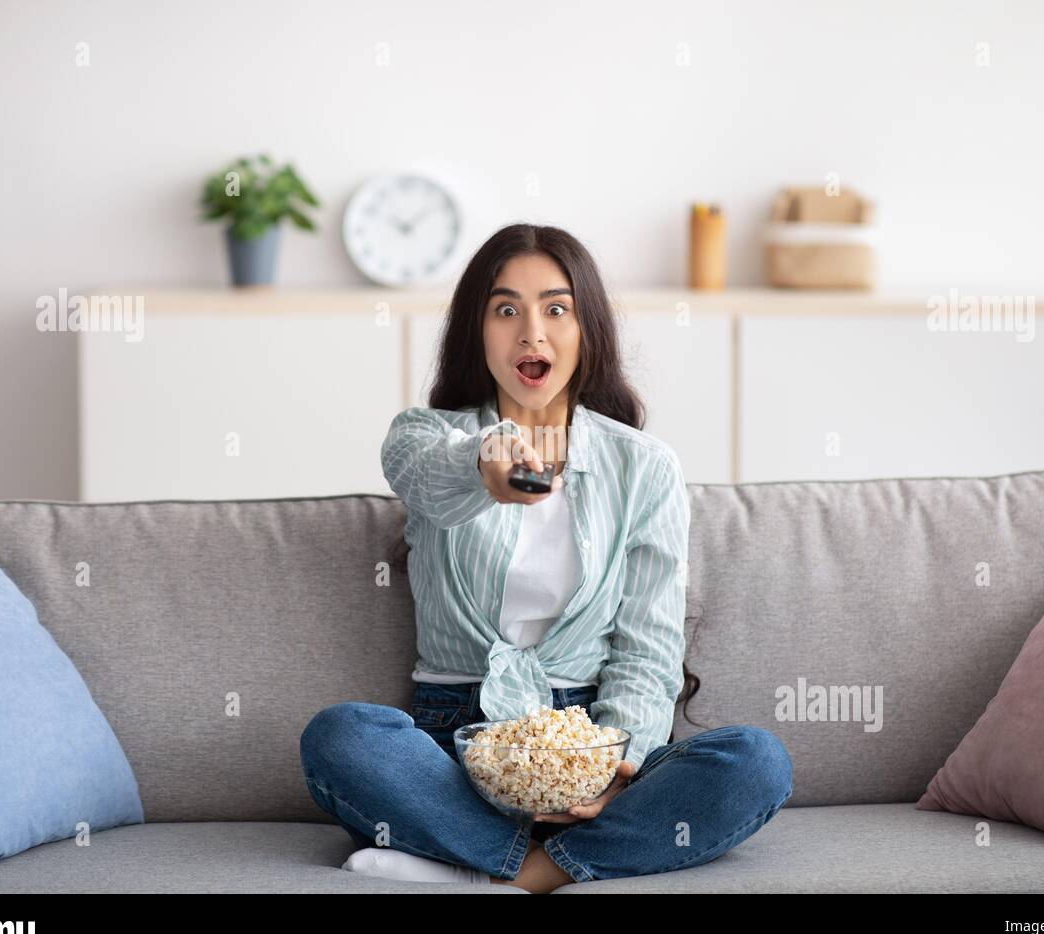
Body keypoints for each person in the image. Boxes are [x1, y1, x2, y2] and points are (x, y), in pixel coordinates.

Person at [300, 223, 792, 892]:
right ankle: (550, 862)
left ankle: (503, 874)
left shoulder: (644, 467)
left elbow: (647, 647)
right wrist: (486, 466)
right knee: (341, 737)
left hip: (585, 732)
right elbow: (427, 475)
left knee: (756, 761)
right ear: (477, 331)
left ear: (586, 328)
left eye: (555, 309)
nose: (531, 332)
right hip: (456, 737)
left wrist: (609, 768)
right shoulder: (427, 438)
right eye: (506, 310)